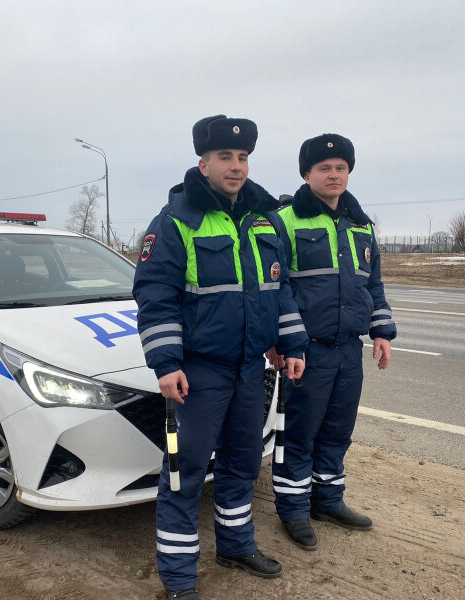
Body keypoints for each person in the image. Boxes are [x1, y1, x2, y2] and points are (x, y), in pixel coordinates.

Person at [133, 115, 308, 600]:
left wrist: (290, 345)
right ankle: (179, 577)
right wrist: (166, 364)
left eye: (243, 157)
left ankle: (234, 545)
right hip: (199, 374)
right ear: (203, 163)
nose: (236, 167)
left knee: (242, 464)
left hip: (251, 371)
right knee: (184, 472)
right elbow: (155, 295)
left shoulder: (265, 219)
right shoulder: (175, 222)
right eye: (225, 158)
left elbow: (281, 289)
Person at [267, 133, 396, 551]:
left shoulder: (360, 224)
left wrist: (381, 331)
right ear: (307, 174)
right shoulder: (284, 220)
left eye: (341, 167)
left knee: (338, 430)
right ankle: (293, 510)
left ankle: (328, 501)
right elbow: (275, 286)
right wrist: (286, 342)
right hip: (307, 351)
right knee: (301, 433)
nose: (334, 174)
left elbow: (372, 283)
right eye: (324, 168)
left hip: (348, 348)